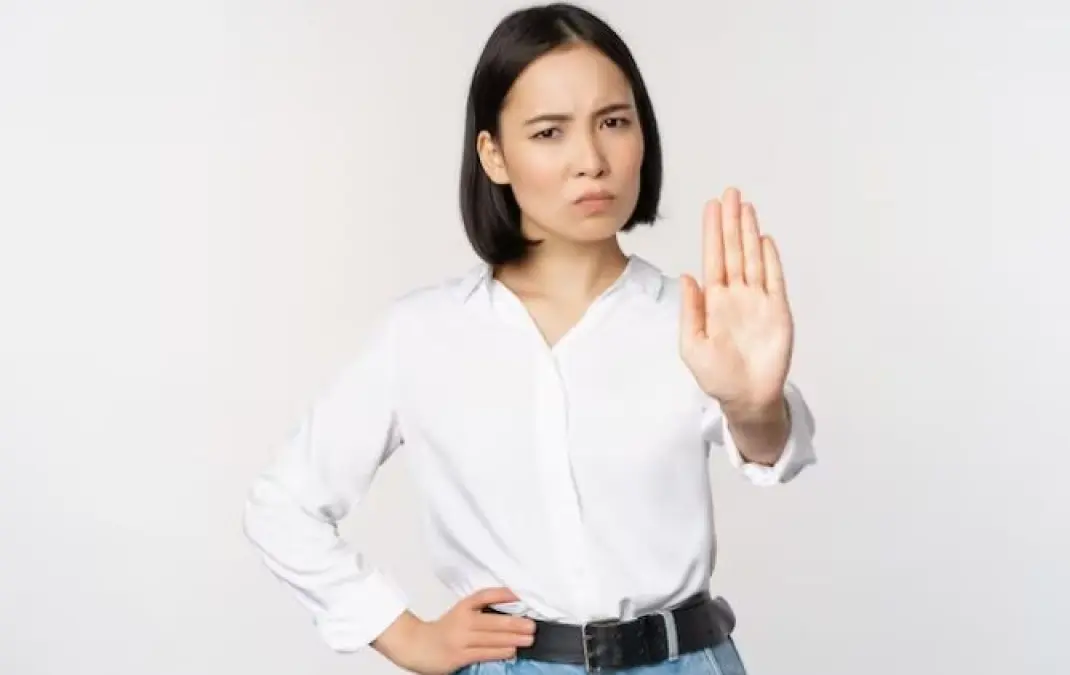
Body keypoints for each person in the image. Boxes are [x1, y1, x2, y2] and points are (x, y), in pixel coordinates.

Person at [242, 3, 817, 673]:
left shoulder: (687, 321)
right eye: (549, 132)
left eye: (614, 122)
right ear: (494, 154)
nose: (591, 161)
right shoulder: (424, 334)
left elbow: (777, 452)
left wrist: (753, 407)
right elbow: (283, 505)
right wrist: (402, 634)